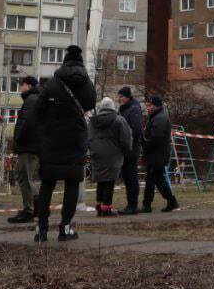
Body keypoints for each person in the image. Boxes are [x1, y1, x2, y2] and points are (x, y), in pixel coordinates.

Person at [33, 45, 97, 241]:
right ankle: (65, 227)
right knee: (71, 184)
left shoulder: (53, 83)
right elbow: (91, 103)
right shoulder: (85, 82)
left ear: (65, 61)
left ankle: (41, 229)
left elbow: (38, 110)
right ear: (80, 62)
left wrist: (43, 132)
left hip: (51, 141)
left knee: (47, 184)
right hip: (75, 140)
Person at [88, 97, 133, 216]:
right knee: (109, 181)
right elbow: (126, 139)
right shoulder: (119, 120)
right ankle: (106, 208)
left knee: (101, 181)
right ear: (113, 107)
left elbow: (88, 138)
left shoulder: (92, 122)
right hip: (113, 154)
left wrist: (92, 150)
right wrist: (127, 150)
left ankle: (99, 205)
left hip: (96, 154)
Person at [8, 76, 40, 224]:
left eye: (22, 85)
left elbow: (27, 122)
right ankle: (35, 208)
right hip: (30, 145)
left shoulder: (31, 99)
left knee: (24, 176)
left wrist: (19, 139)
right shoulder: (33, 99)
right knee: (22, 175)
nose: (21, 88)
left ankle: (31, 209)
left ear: (29, 85)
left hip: (28, 146)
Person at [141, 95, 179, 212]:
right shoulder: (156, 117)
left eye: (150, 105)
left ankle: (151, 204)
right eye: (147, 105)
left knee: (154, 179)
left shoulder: (159, 118)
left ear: (157, 106)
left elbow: (155, 137)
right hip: (156, 154)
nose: (148, 107)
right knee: (154, 179)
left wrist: (145, 144)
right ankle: (167, 202)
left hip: (157, 154)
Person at [116, 86, 144, 214]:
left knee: (131, 176)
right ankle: (130, 204)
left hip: (131, 148)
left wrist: (128, 143)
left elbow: (136, 130)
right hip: (126, 148)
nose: (119, 99)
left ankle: (132, 205)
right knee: (127, 176)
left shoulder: (134, 109)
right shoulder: (125, 109)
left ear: (127, 97)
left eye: (121, 96)